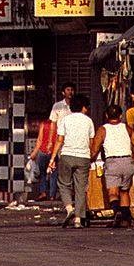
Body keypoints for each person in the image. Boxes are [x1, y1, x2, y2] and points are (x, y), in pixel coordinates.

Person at [91, 103, 134, 228]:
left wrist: (90, 159)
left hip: (113, 162)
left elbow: (94, 150)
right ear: (120, 115)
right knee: (124, 191)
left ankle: (117, 212)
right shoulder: (126, 128)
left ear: (106, 115)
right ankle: (125, 219)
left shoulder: (103, 129)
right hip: (127, 162)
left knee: (113, 193)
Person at [48, 96, 95, 228]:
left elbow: (59, 140)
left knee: (63, 184)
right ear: (83, 107)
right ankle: (78, 220)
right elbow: (91, 142)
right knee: (81, 188)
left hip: (67, 155)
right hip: (83, 157)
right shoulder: (89, 121)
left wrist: (52, 159)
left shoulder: (65, 120)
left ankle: (69, 209)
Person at [30, 113, 58, 202]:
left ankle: (43, 193)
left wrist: (34, 153)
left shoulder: (43, 124)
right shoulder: (58, 125)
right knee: (53, 174)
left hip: (42, 151)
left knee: (42, 174)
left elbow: (39, 140)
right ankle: (52, 195)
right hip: (53, 152)